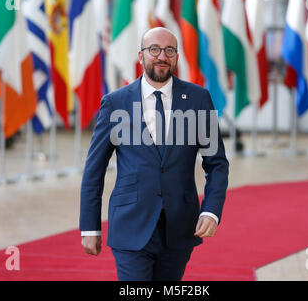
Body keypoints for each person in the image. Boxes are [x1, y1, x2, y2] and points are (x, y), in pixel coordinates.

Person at [79, 27, 229, 281]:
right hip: (130, 224)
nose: (162, 56)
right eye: (154, 50)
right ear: (141, 56)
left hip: (180, 226)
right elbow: (94, 169)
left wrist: (211, 211)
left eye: (169, 50)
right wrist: (89, 226)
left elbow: (217, 163)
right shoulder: (115, 103)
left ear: (177, 57)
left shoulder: (198, 99)